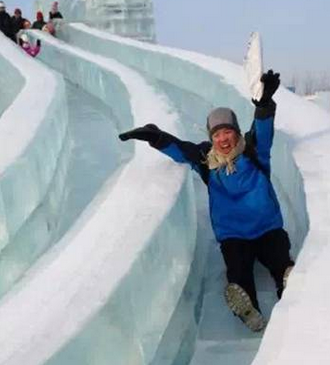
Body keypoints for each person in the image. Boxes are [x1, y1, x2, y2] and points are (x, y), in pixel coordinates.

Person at [118, 70, 294, 332]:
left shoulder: (253, 150)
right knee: (238, 271)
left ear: (236, 133)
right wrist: (154, 136)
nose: (223, 139)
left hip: (267, 228)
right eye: (217, 134)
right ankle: (249, 309)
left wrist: (265, 102)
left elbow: (263, 129)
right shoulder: (204, 158)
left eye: (227, 132)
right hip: (234, 235)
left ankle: (290, 287)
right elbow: (179, 149)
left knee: (280, 259)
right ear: (211, 137)